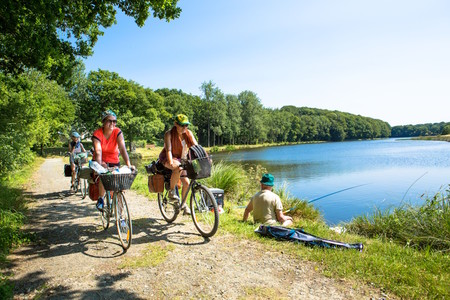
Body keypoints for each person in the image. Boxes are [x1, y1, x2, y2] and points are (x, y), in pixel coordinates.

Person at [92, 110, 134, 211]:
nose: (112, 124)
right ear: (103, 121)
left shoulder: (117, 131)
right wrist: (100, 165)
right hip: (100, 160)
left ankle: (121, 213)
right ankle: (101, 199)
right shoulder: (97, 134)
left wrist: (129, 164)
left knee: (120, 183)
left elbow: (122, 148)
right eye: (109, 121)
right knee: (104, 175)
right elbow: (98, 151)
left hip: (114, 160)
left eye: (114, 121)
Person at [158, 114, 198, 214]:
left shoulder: (188, 133)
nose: (184, 127)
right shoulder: (169, 134)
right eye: (182, 125)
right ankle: (171, 192)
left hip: (182, 158)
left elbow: (196, 146)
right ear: (176, 124)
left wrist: (202, 156)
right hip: (168, 157)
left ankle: (183, 204)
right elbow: (169, 150)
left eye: (186, 125)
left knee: (187, 183)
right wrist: (171, 163)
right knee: (177, 168)